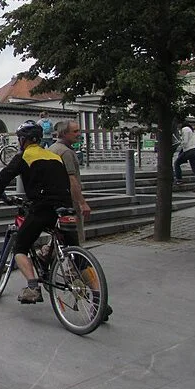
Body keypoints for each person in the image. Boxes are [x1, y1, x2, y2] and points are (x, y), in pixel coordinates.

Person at [0, 121, 72, 304]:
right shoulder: (54, 156)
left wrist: (0, 195)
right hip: (65, 207)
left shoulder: (25, 156)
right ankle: (99, 298)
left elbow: (2, 179)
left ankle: (33, 288)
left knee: (20, 246)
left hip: (42, 207)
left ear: (23, 140)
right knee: (74, 252)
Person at [49, 120, 113, 321]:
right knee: (78, 254)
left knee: (58, 246)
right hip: (69, 206)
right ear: (64, 133)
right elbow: (72, 180)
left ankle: (56, 266)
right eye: (75, 131)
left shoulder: (51, 149)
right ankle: (97, 299)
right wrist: (82, 203)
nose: (79, 134)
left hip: (54, 204)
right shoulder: (67, 153)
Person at [174, 121, 195, 191]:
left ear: (181, 124)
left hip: (190, 150)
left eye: (178, 125)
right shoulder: (190, 130)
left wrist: (179, 143)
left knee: (177, 163)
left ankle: (179, 180)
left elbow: (185, 142)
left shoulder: (184, 129)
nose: (178, 126)